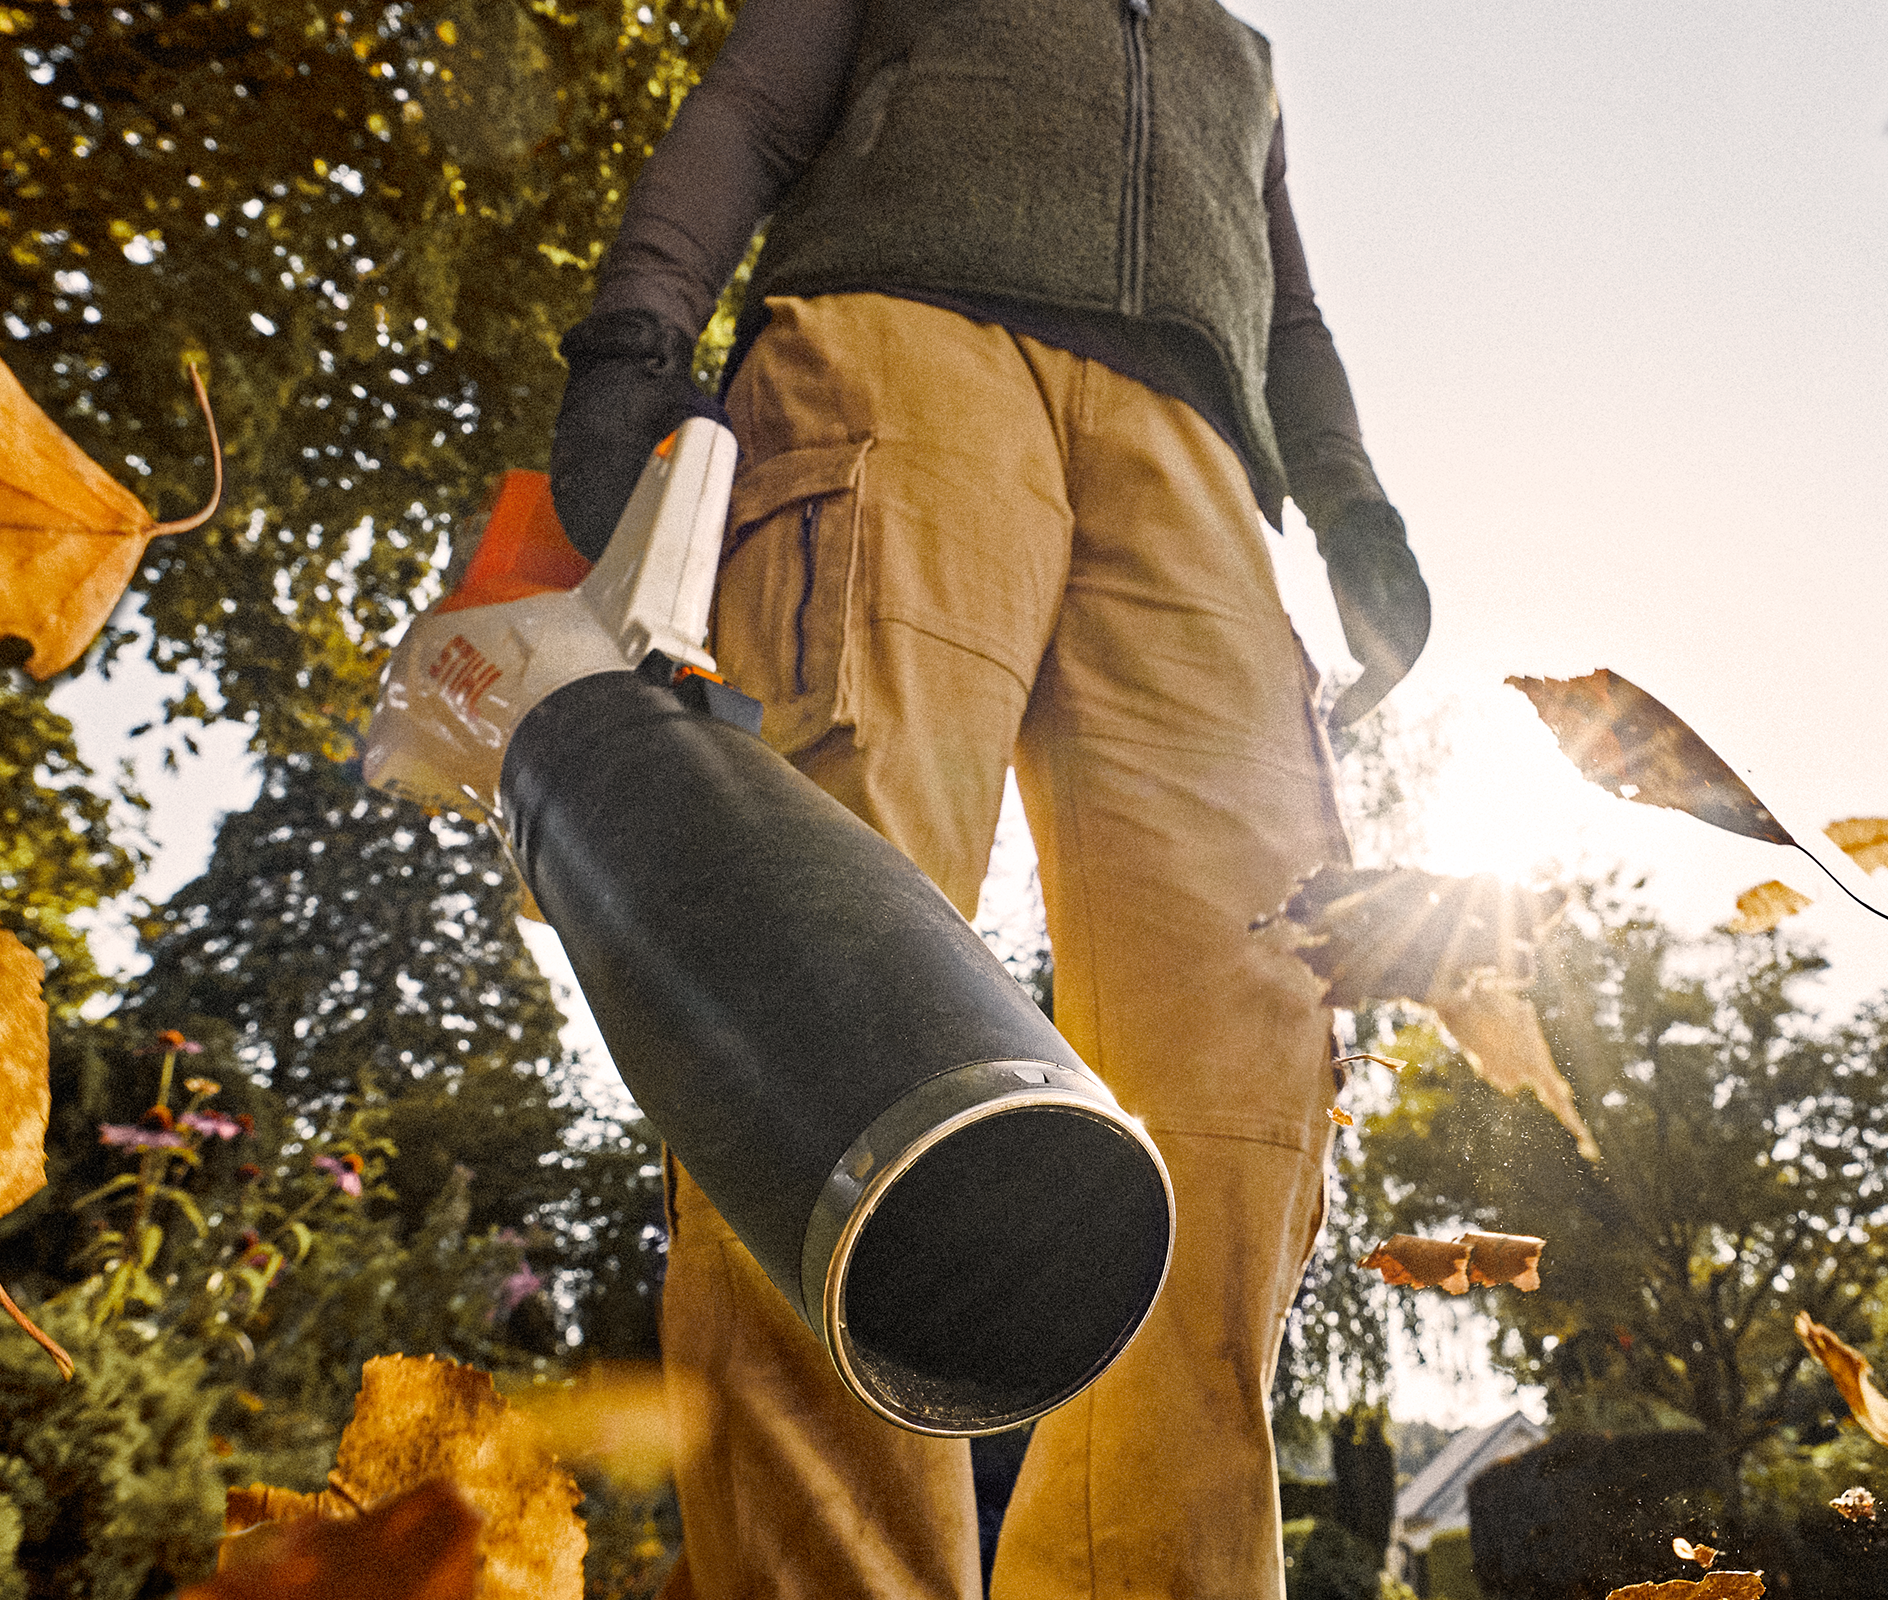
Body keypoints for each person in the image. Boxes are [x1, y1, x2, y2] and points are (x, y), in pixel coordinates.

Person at [545, 2, 1427, 1594]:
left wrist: (1351, 498)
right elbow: (748, 109)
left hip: (1201, 473)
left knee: (1246, 1051)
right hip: (898, 356)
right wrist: (633, 336)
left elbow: (1292, 313)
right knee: (832, 1038)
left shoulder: (1241, 54)